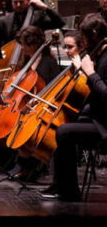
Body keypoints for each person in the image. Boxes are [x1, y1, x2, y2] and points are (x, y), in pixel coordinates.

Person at [43, 14, 107, 201]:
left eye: (84, 38)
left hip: (104, 124)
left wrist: (90, 73)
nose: (83, 43)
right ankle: (59, 184)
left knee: (64, 132)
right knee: (61, 123)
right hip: (98, 116)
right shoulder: (99, 54)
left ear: (94, 35)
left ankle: (69, 191)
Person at [0, 0, 64, 45]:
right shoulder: (4, 21)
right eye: (15, 2)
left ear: (28, 1)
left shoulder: (39, 16)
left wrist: (45, 7)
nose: (18, 5)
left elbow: (60, 23)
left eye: (21, 2)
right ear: (12, 3)